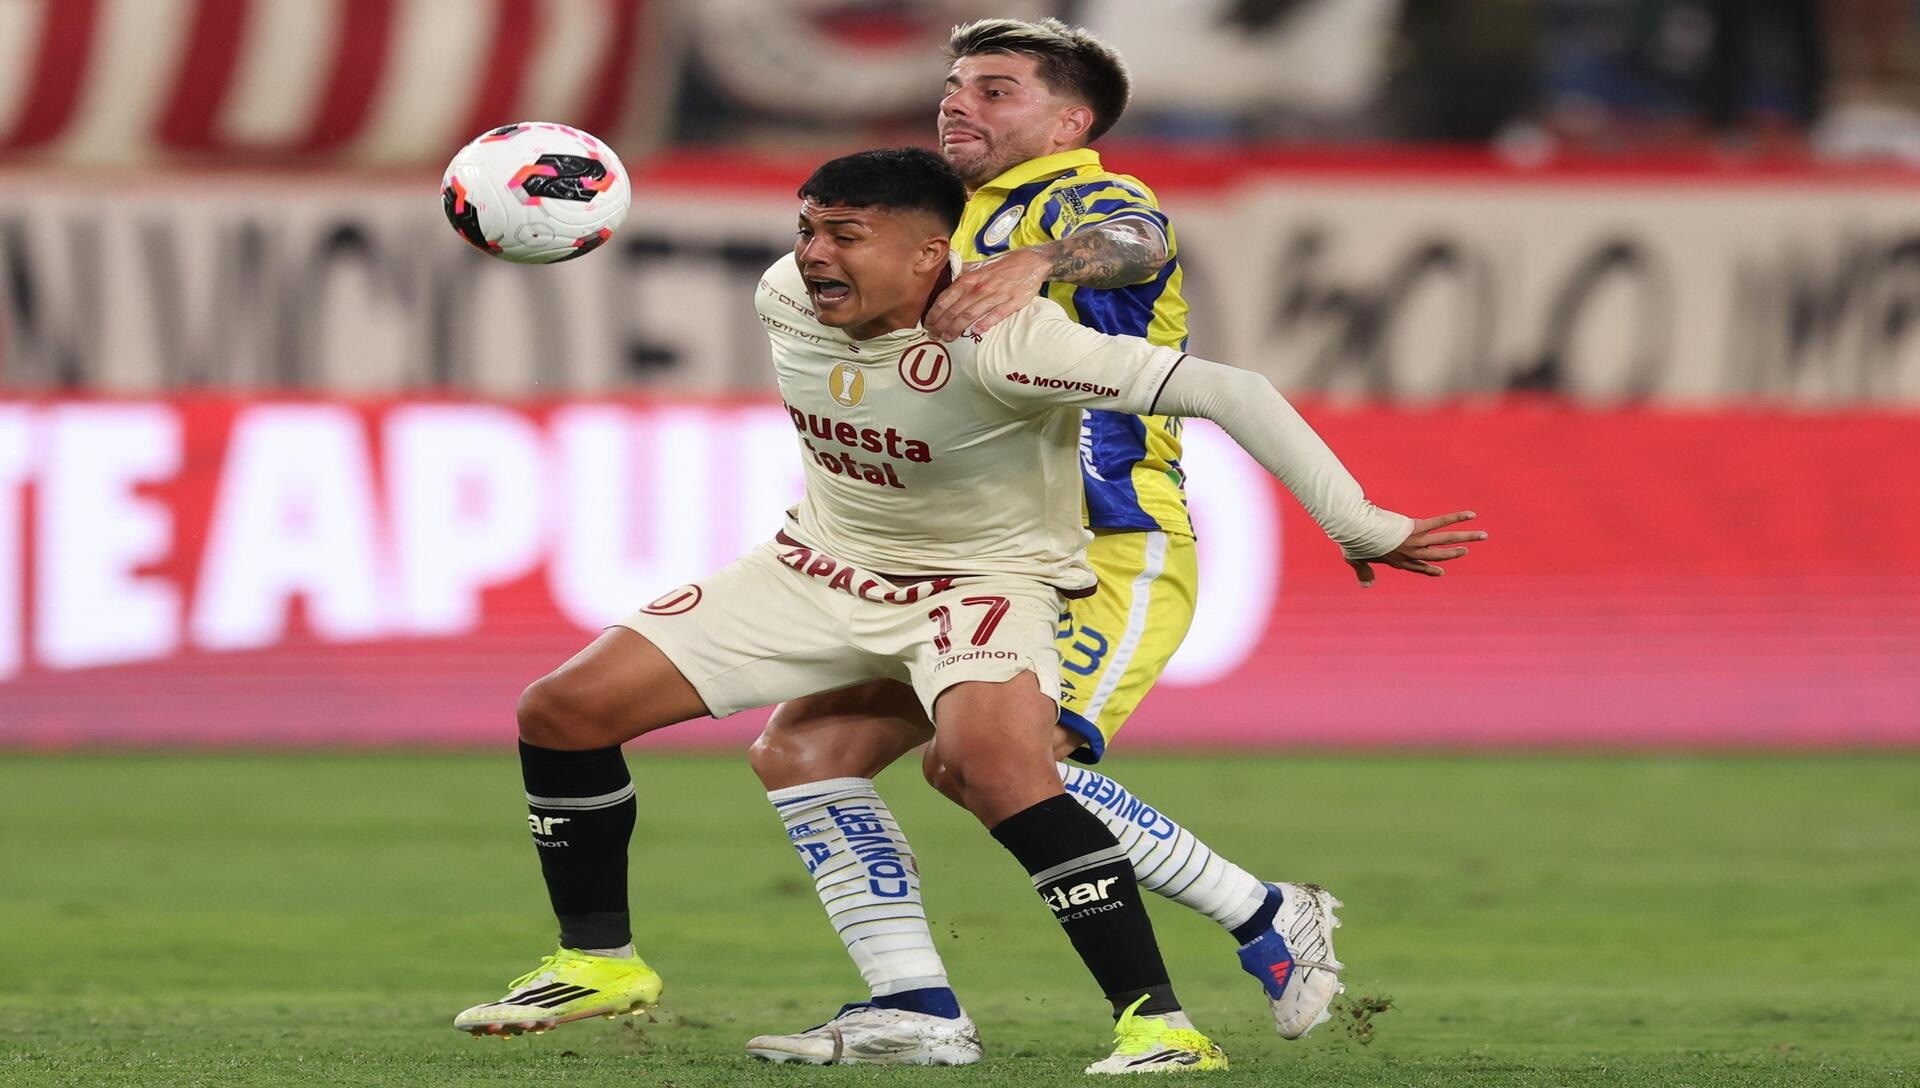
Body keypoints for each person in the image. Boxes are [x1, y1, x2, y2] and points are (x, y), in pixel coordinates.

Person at [451, 146, 1483, 1074]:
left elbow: (1236, 389)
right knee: (567, 709)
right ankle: (620, 962)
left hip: (979, 587)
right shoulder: (783, 293)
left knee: (996, 768)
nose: (811, 256)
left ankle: (1159, 1021)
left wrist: (1359, 521)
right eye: (807, 228)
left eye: (844, 236)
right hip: (818, 564)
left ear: (927, 257)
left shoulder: (1013, 345)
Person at [741, 16, 1404, 1067]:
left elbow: (1141, 242)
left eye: (997, 89)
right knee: (808, 749)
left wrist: (1038, 261)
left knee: (1002, 760)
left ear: (1070, 120)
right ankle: (914, 1001)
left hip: (1108, 538)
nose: (961, 101)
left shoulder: (1081, 198)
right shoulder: (945, 211)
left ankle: (1252, 925)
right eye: (956, 84)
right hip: (967, 550)